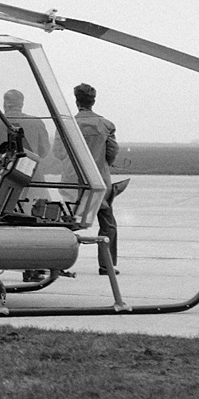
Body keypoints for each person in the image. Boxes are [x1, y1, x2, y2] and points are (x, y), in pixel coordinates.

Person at [74, 82, 120, 274]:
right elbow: (112, 151)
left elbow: (59, 153)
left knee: (62, 222)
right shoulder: (106, 125)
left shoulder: (69, 123)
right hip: (99, 181)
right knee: (108, 224)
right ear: (93, 101)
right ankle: (106, 265)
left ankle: (51, 261)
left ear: (77, 101)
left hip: (73, 182)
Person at [0, 89, 51, 168]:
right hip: (32, 173)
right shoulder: (37, 122)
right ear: (22, 104)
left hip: (2, 174)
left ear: (5, 104)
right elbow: (43, 151)